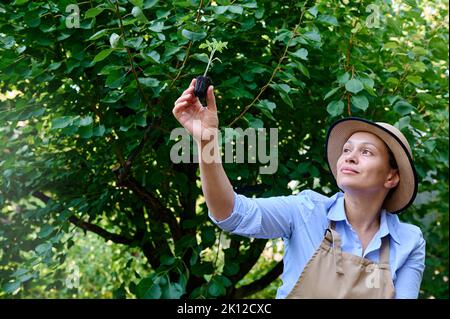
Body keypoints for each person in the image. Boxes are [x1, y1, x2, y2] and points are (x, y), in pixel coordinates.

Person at [172, 79, 426, 299]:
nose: (349, 157)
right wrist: (206, 142)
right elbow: (231, 213)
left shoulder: (409, 241)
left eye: (366, 152)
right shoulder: (305, 210)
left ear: (391, 177)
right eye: (347, 150)